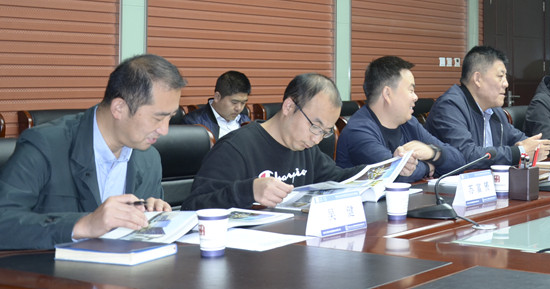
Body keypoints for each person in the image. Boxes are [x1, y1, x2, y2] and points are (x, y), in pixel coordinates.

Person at [0, 54, 185, 250]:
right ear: (119, 108)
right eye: (158, 118)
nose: (164, 130)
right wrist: (84, 225)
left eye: (170, 117)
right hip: (49, 267)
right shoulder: (45, 145)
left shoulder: (149, 158)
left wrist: (151, 214)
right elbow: (4, 221)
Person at [182, 73, 390, 210]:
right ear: (289, 107)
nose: (317, 139)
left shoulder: (305, 147)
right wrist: (249, 191)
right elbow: (192, 207)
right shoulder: (235, 148)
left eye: (325, 132)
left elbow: (338, 179)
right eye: (315, 126)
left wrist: (388, 168)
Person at [335, 56, 465, 183]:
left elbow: (460, 161)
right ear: (387, 94)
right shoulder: (358, 131)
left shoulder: (409, 123)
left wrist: (432, 153)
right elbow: (395, 173)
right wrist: (428, 167)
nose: (415, 97)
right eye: (411, 90)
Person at [426, 46, 550, 168]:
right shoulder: (450, 107)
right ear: (478, 79)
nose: (506, 84)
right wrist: (518, 152)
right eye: (500, 76)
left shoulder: (495, 111)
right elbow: (466, 155)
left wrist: (534, 146)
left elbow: (518, 139)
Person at [183, 70, 252, 139]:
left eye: (243, 103)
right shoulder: (194, 123)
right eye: (234, 102)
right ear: (217, 97)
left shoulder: (246, 121)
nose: (239, 108)